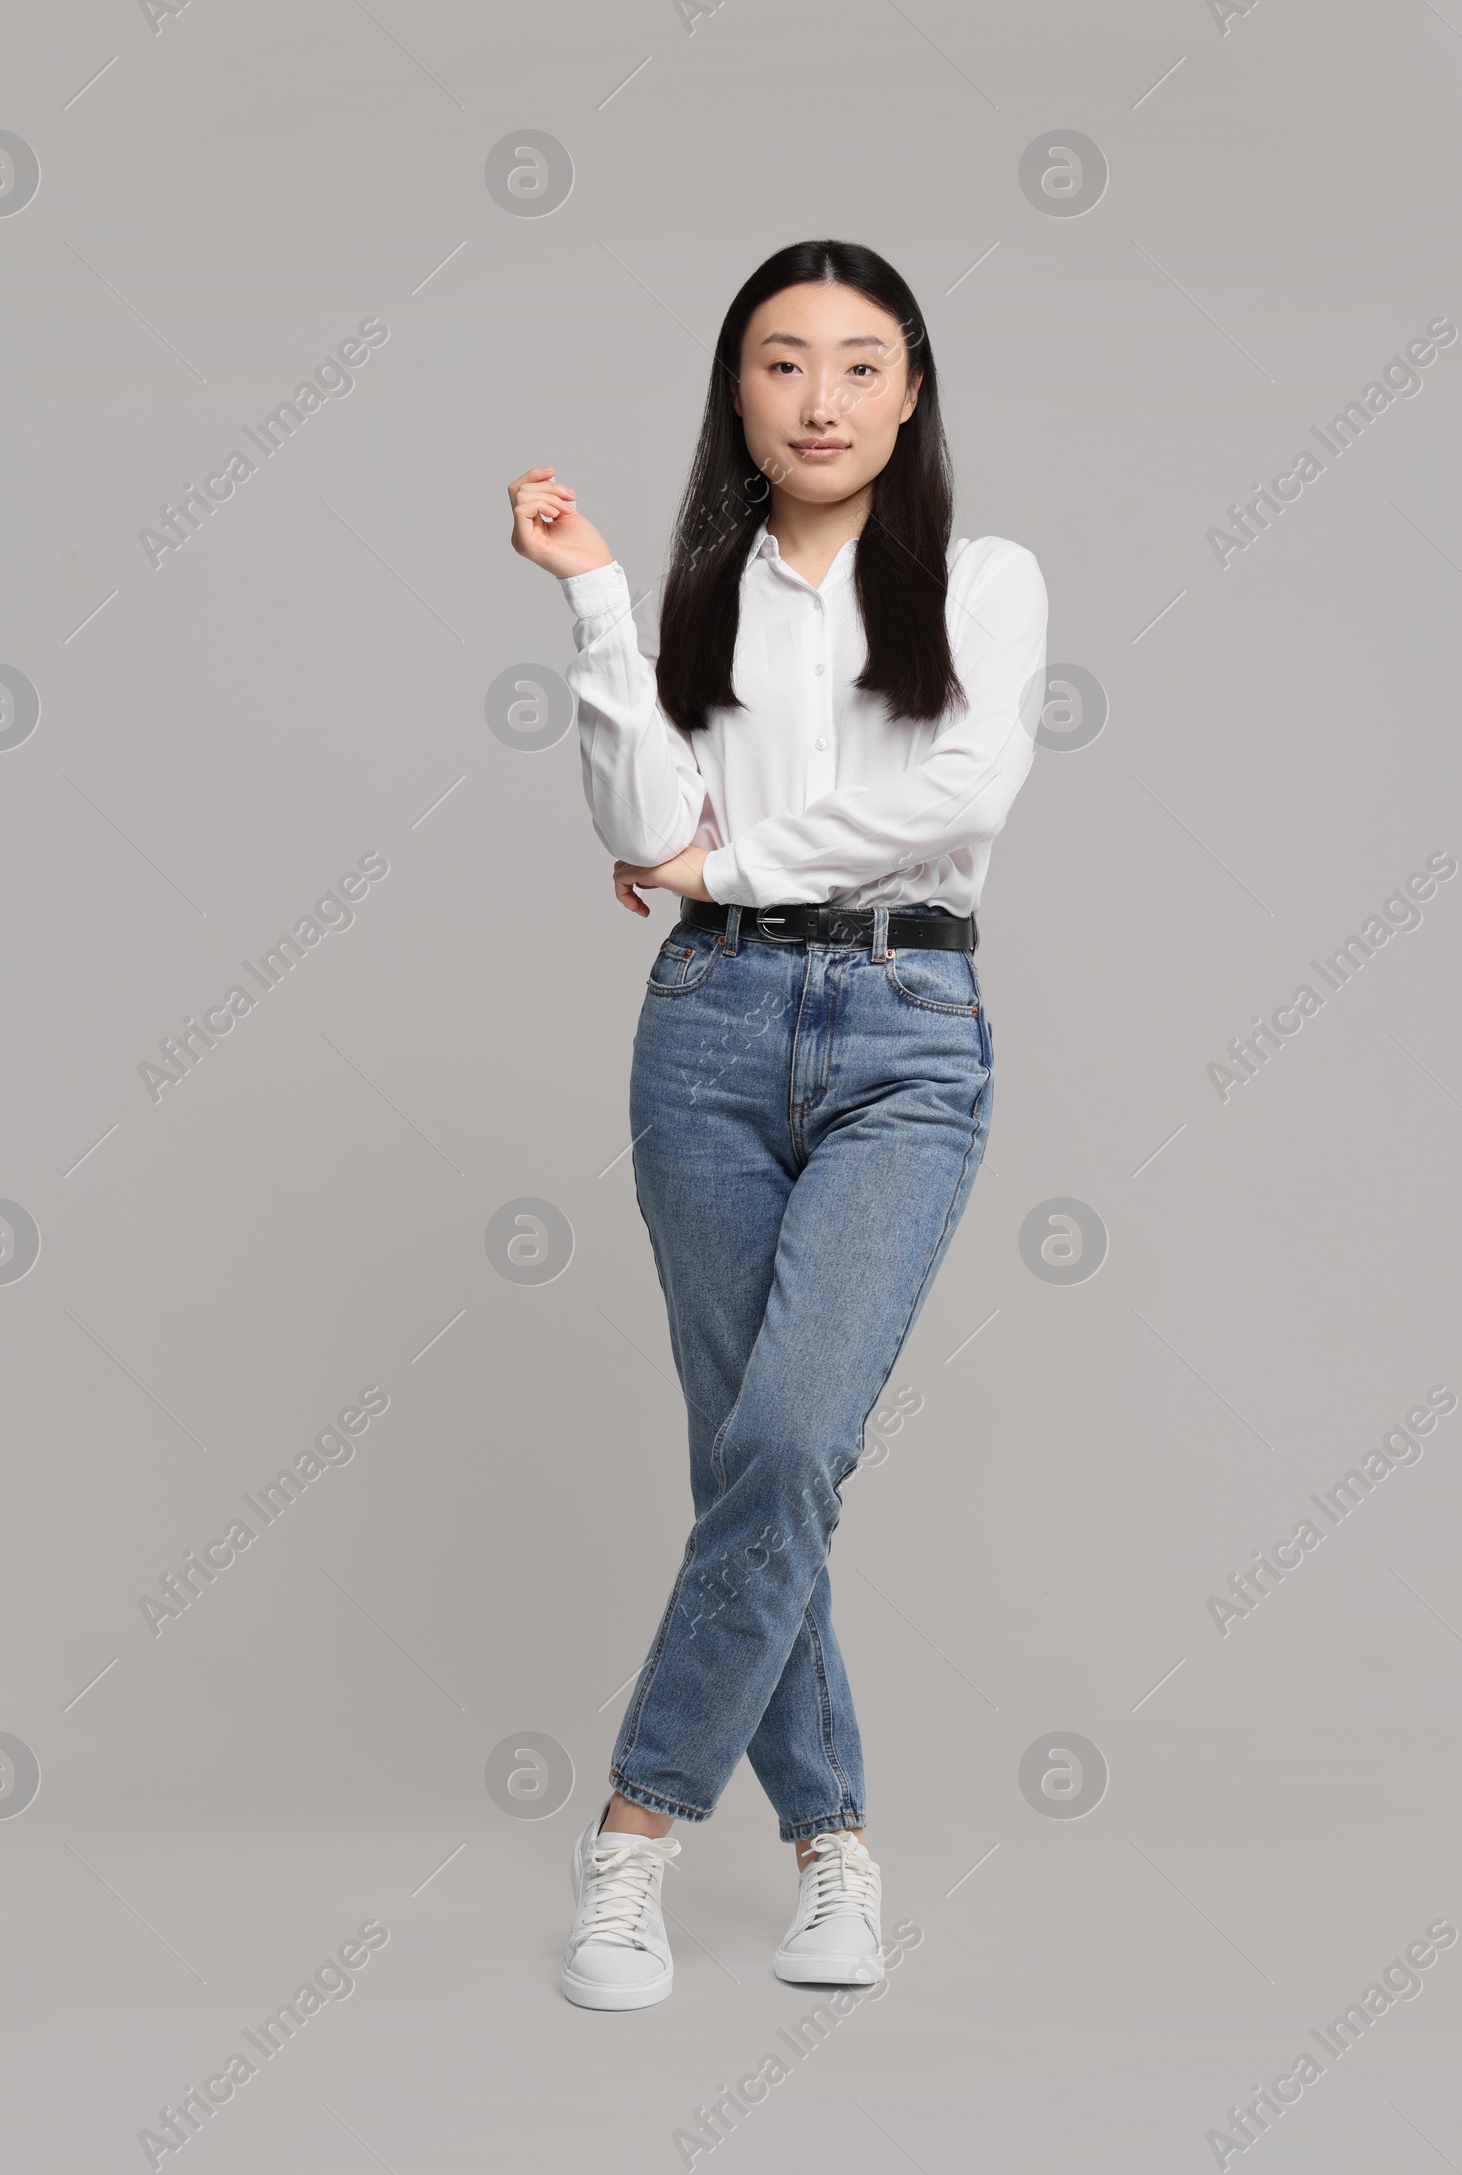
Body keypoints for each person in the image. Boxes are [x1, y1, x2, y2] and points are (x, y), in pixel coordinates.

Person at [507, 238, 1048, 2010]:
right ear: (738, 391)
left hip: (905, 1031)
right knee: (747, 1455)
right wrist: (594, 597)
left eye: (861, 362)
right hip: (710, 1032)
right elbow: (637, 810)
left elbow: (950, 792)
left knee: (793, 1438)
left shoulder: (986, 581)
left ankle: (636, 1832)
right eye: (783, 362)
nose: (822, 397)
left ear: (912, 391)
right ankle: (836, 1850)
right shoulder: (698, 592)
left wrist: (716, 861)